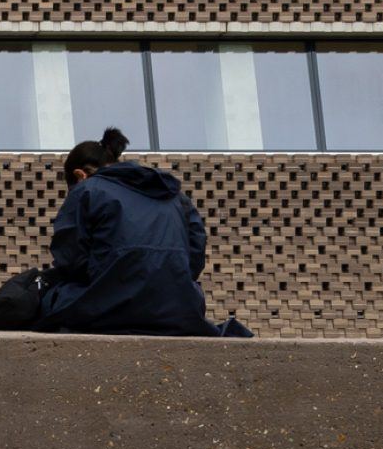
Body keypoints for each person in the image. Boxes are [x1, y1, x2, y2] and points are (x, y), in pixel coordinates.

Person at [35, 128, 248, 337]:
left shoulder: (87, 190)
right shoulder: (174, 195)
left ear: (80, 175)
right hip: (178, 311)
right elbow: (195, 256)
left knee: (40, 298)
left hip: (109, 308)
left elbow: (71, 260)